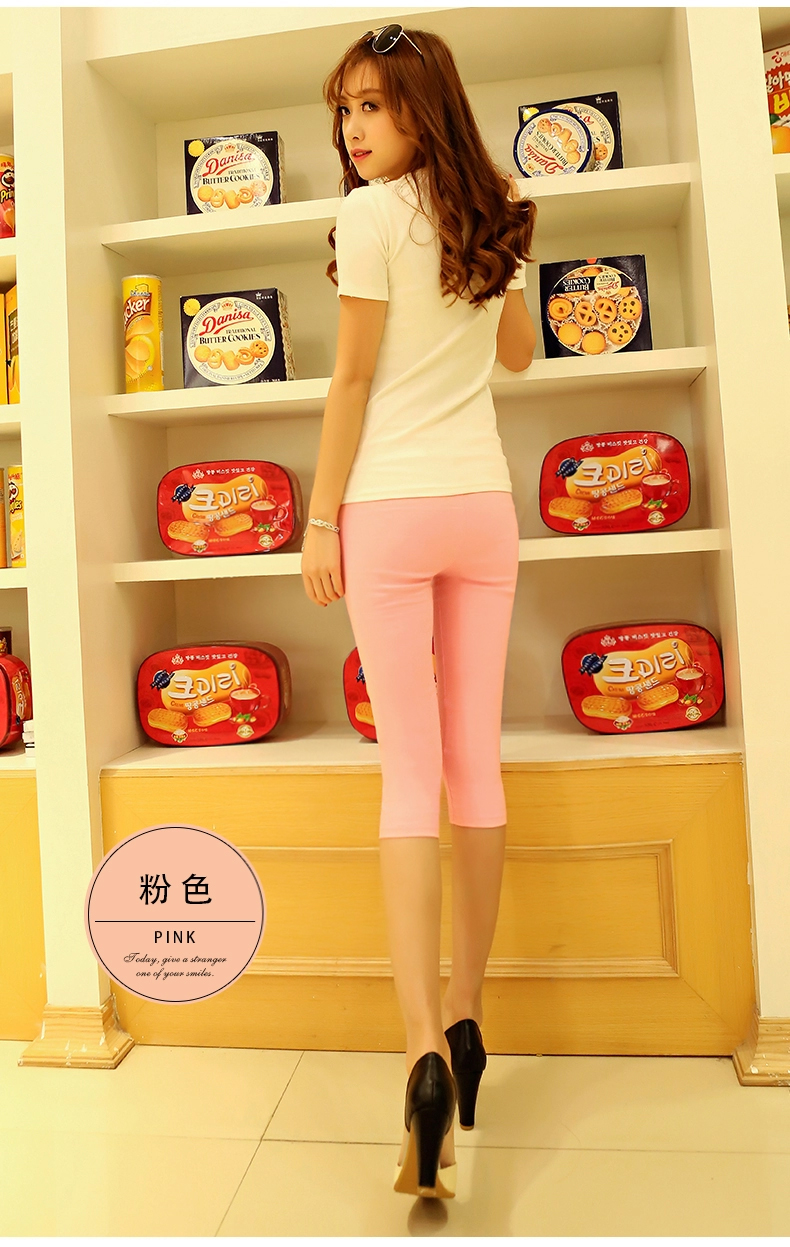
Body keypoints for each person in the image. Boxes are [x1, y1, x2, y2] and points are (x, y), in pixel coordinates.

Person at [300, 23, 536, 1200]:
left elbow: (350, 380)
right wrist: (501, 261)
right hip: (482, 509)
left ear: (419, 106)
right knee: (473, 762)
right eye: (344, 107)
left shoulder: (367, 217)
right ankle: (470, 1012)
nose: (353, 128)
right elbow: (520, 357)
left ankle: (420, 1052)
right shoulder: (499, 207)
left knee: (410, 771)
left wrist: (319, 519)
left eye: (373, 105)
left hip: (389, 510)